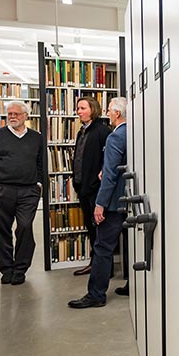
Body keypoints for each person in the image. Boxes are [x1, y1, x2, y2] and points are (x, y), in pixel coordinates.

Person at [69, 96, 129, 308]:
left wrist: (100, 204)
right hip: (131, 199)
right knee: (132, 242)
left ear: (117, 114)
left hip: (114, 202)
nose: (108, 114)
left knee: (102, 247)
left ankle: (96, 294)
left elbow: (111, 174)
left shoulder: (115, 137)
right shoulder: (136, 133)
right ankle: (132, 284)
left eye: (110, 111)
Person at [0, 100, 44, 285]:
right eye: (9, 114)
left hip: (28, 191)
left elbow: (41, 163)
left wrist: (38, 183)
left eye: (16, 114)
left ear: (26, 116)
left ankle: (21, 268)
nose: (12, 117)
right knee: (1, 231)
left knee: (24, 226)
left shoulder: (36, 137)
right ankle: (7, 269)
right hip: (0, 191)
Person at [71, 97, 110, 276]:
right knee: (90, 226)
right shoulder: (82, 132)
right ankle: (95, 264)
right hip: (82, 187)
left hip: (95, 188)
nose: (78, 111)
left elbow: (107, 160)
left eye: (82, 108)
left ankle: (102, 268)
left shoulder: (102, 131)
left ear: (92, 109)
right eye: (78, 108)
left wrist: (98, 179)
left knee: (99, 229)